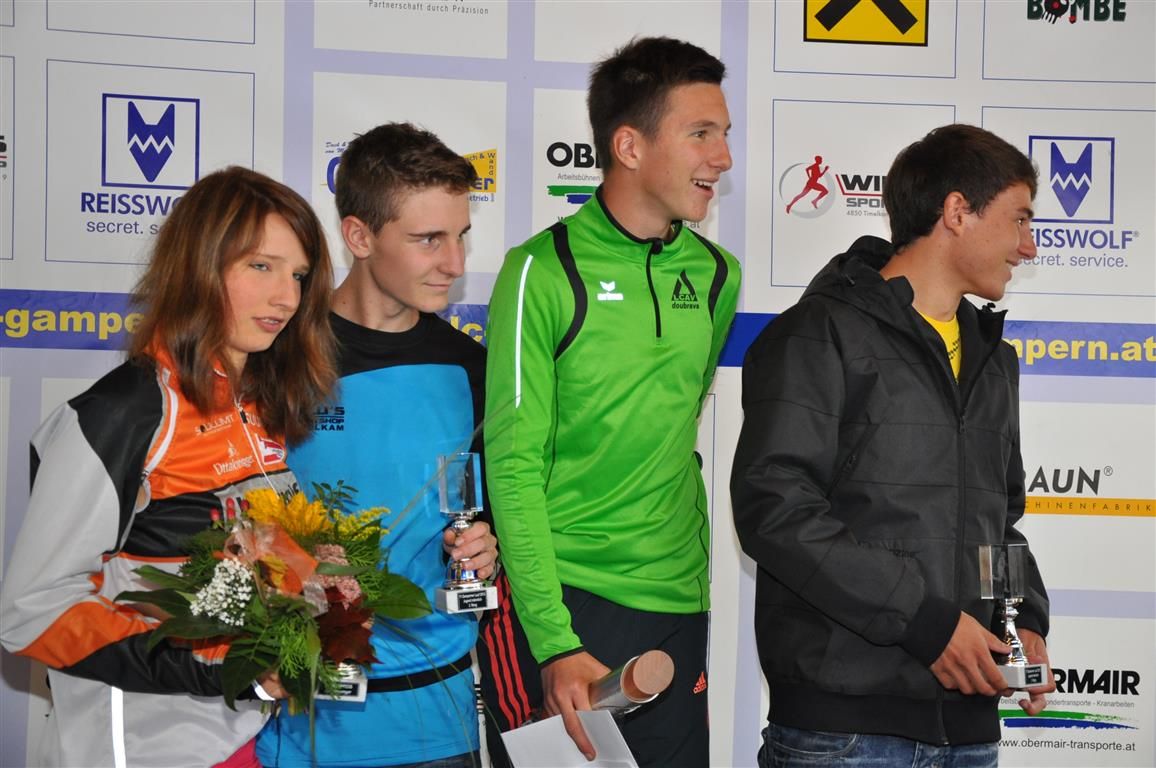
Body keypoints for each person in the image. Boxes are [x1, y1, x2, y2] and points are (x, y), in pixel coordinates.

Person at [731, 123, 1056, 767]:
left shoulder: (995, 360)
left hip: (969, 733)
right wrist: (926, 624)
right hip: (843, 735)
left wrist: (1022, 622)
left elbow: (999, 525)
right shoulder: (818, 333)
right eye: (1019, 219)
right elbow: (775, 509)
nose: (1030, 245)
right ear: (957, 211)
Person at [0, 166, 337, 767]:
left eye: (298, 275)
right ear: (199, 267)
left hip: (238, 734)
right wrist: (214, 666)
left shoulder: (255, 404)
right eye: (261, 266)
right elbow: (31, 612)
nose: (287, 297)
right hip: (142, 746)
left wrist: (320, 588)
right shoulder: (125, 411)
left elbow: (240, 552)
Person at [480, 36, 741, 767]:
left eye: (724, 134)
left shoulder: (718, 275)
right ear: (629, 145)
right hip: (568, 603)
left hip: (679, 604)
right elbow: (513, 466)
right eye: (701, 133)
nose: (723, 157)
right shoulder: (540, 270)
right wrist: (553, 640)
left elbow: (676, 427)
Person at [255, 122, 498, 768]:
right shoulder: (277, 358)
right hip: (304, 729)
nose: (455, 263)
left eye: (461, 236)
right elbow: (230, 521)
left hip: (440, 727)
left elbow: (485, 514)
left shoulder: (470, 367)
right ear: (359, 237)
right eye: (428, 239)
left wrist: (486, 547)